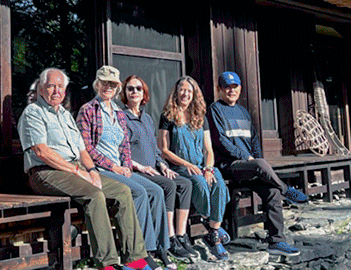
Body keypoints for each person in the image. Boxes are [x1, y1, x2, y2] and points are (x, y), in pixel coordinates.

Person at [18, 67, 155, 270]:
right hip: (46, 172)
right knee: (93, 194)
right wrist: (77, 171)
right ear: (40, 88)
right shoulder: (33, 112)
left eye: (60, 86)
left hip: (76, 169)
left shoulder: (65, 114)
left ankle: (135, 259)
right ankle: (107, 263)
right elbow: (42, 152)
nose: (56, 91)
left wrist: (91, 171)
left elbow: (82, 150)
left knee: (123, 192)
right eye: (51, 86)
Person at [77, 66, 175, 268]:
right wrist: (114, 166)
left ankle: (159, 248)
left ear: (117, 87)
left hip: (120, 168)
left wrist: (127, 166)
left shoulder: (119, 113)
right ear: (97, 84)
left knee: (156, 191)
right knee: (138, 192)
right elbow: (85, 148)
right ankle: (139, 255)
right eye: (105, 83)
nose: (108, 87)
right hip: (101, 169)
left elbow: (125, 146)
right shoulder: (88, 110)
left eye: (112, 84)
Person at [208, 71, 308, 259]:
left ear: (240, 89)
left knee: (272, 191)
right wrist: (248, 158)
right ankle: (287, 190)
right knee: (264, 169)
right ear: (219, 89)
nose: (231, 90)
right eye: (227, 87)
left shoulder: (243, 111)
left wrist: (257, 161)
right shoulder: (215, 109)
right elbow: (220, 140)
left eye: (234, 87)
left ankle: (276, 242)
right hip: (229, 167)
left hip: (249, 166)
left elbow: (254, 140)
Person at [121, 75, 197, 262]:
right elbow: (121, 150)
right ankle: (167, 241)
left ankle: (180, 236)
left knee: (185, 184)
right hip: (138, 171)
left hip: (154, 168)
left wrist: (163, 165)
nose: (134, 92)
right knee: (168, 186)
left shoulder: (147, 119)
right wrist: (140, 166)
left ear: (144, 93)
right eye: (130, 89)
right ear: (124, 93)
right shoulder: (121, 117)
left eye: (138, 89)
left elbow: (155, 150)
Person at [158, 76, 231, 260]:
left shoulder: (201, 117)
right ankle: (212, 227)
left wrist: (208, 168)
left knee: (219, 184)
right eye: (182, 89)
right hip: (180, 166)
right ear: (176, 92)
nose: (185, 93)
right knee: (199, 183)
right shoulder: (168, 116)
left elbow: (208, 150)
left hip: (201, 166)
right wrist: (188, 165)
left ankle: (213, 231)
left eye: (189, 91)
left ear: (194, 95)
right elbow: (163, 149)